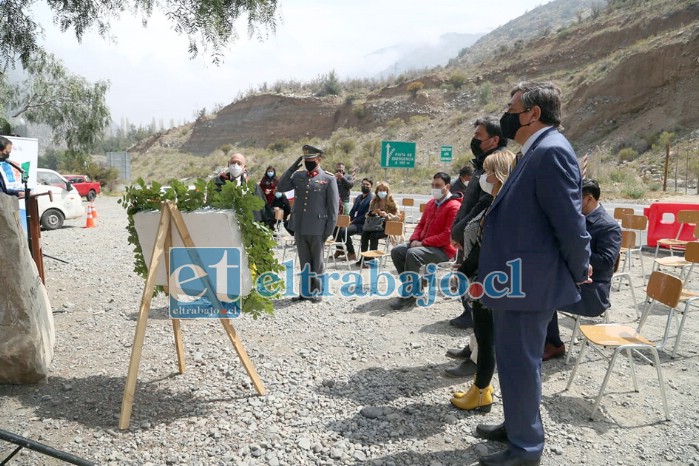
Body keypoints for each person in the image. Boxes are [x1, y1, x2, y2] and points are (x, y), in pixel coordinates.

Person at [475, 82, 591, 466]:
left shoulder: (552, 151)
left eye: (512, 108)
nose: (507, 114)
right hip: (517, 281)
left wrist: (579, 268)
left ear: (533, 114)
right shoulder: (533, 150)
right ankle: (517, 425)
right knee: (512, 361)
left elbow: (570, 222)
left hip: (530, 283)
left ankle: (525, 450)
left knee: (522, 364)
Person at [447, 150, 517, 413]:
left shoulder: (506, 205)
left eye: (489, 172)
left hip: (491, 282)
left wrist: (465, 270)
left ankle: (480, 392)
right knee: (482, 334)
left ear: (500, 174)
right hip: (481, 277)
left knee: (487, 339)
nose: (484, 177)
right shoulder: (495, 201)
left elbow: (487, 247)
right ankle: (482, 388)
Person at [543, 178, 622, 361]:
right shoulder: (576, 220)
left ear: (589, 199)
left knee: (545, 297)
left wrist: (575, 250)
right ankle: (543, 340)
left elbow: (606, 261)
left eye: (576, 199)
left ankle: (554, 344)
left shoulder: (608, 226)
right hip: (574, 280)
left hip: (592, 291)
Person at [449, 118, 507, 330]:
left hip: (474, 237)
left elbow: (484, 203)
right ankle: (471, 318)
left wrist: (459, 230)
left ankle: (475, 324)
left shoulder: (495, 163)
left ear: (494, 140)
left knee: (473, 280)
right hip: (467, 234)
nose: (473, 140)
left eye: (478, 136)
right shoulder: (484, 162)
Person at [389, 172, 462, 310]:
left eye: (438, 185)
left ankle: (410, 295)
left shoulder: (454, 206)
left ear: (447, 186)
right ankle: (414, 287)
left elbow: (447, 235)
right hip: (424, 246)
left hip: (444, 250)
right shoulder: (430, 204)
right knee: (397, 251)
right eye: (433, 185)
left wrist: (423, 243)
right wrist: (414, 239)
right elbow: (421, 225)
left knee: (413, 254)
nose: (434, 188)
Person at [277, 144, 339, 302]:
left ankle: (317, 291)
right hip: (300, 226)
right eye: (306, 160)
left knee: (317, 262)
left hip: (318, 227)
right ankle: (304, 292)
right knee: (304, 260)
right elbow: (282, 186)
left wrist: (328, 230)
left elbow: (333, 208)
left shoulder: (328, 178)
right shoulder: (298, 176)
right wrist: (291, 169)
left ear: (319, 159)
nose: (308, 163)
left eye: (311, 159)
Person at [214, 152, 271, 224]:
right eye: (233, 162)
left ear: (244, 167)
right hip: (223, 224)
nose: (235, 165)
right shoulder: (217, 182)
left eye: (239, 163)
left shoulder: (252, 186)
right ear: (228, 164)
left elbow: (262, 210)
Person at [356, 181, 401, 266]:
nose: (382, 191)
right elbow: (367, 215)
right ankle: (363, 258)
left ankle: (372, 258)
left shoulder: (392, 202)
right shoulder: (374, 201)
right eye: (380, 190)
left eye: (384, 190)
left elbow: (398, 217)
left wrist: (387, 215)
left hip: (387, 227)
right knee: (365, 234)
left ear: (387, 191)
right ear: (377, 191)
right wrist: (372, 213)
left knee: (374, 235)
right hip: (374, 225)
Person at [335, 178, 373, 262]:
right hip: (353, 222)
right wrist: (348, 219)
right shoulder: (359, 197)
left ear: (371, 187)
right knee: (336, 228)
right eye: (363, 184)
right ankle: (339, 249)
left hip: (363, 224)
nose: (365, 186)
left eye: (367, 185)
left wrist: (352, 221)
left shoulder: (371, 199)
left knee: (344, 231)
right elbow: (353, 211)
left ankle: (351, 253)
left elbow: (365, 215)